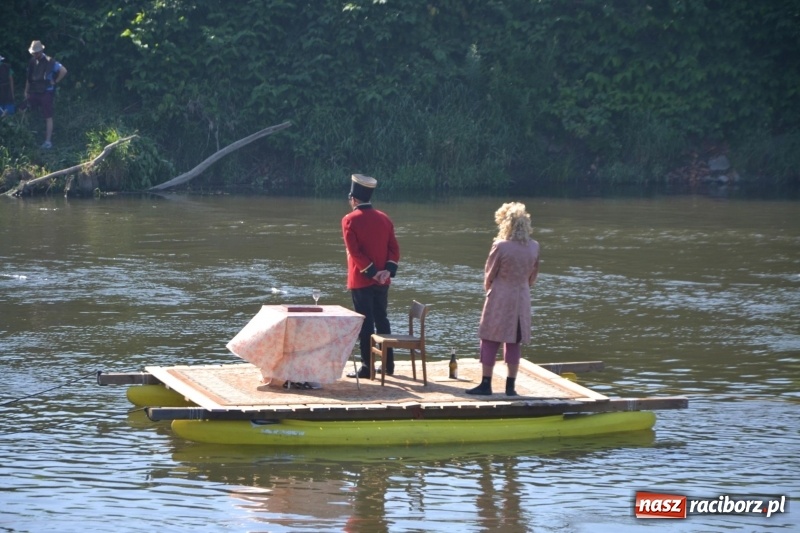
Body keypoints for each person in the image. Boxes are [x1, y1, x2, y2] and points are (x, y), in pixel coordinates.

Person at [467, 202, 540, 396]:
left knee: (489, 339)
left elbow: (490, 274)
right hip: (522, 298)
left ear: (506, 223)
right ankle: (510, 387)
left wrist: (490, 288)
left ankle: (486, 384)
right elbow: (532, 276)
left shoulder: (501, 246)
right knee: (514, 342)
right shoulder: (534, 247)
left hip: (500, 296)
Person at [342, 174, 400, 379]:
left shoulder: (349, 220)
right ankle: (388, 365)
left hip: (361, 280)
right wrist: (386, 271)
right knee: (382, 319)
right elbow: (394, 249)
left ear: (353, 199)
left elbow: (355, 252)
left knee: (365, 323)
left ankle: (367, 367)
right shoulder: (385, 218)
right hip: (383, 280)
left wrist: (372, 273)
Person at [21, 40, 67, 148]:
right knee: (22, 108)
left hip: (47, 91)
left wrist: (55, 81)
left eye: (36, 53)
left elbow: (63, 71)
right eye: (33, 53)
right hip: (35, 91)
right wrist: (26, 91)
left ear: (41, 51)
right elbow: (29, 78)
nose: (35, 54)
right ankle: (26, 135)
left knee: (48, 116)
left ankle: (48, 141)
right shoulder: (32, 61)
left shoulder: (50, 61)